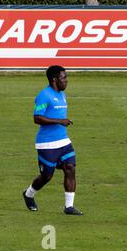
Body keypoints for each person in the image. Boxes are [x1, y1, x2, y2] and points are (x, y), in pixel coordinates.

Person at [23, 65, 83, 215]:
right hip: (47, 143)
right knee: (47, 176)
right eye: (64, 78)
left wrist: (61, 122)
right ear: (54, 80)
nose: (66, 81)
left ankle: (69, 207)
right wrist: (59, 121)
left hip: (63, 141)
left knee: (70, 168)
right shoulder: (44, 95)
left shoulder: (62, 94)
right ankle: (28, 194)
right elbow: (37, 118)